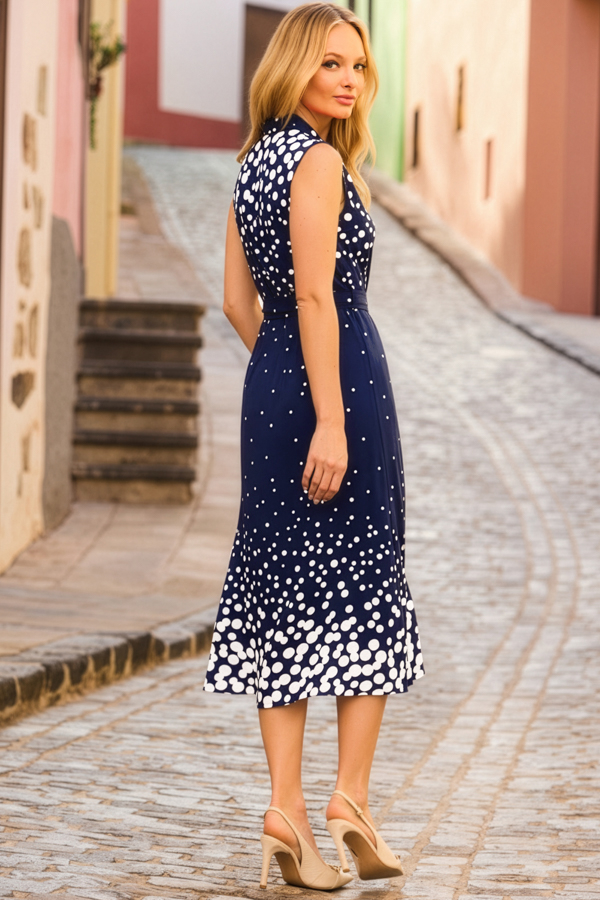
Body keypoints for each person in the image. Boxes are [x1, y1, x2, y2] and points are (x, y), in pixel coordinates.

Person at [204, 2, 424, 890]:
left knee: (283, 590)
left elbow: (234, 301)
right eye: (331, 63)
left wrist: (285, 387)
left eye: (358, 68)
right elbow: (317, 297)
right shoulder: (321, 160)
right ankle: (350, 799)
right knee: (367, 579)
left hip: (273, 391)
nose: (347, 80)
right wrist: (329, 416)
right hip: (345, 390)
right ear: (292, 65)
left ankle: (286, 812)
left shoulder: (253, 163)